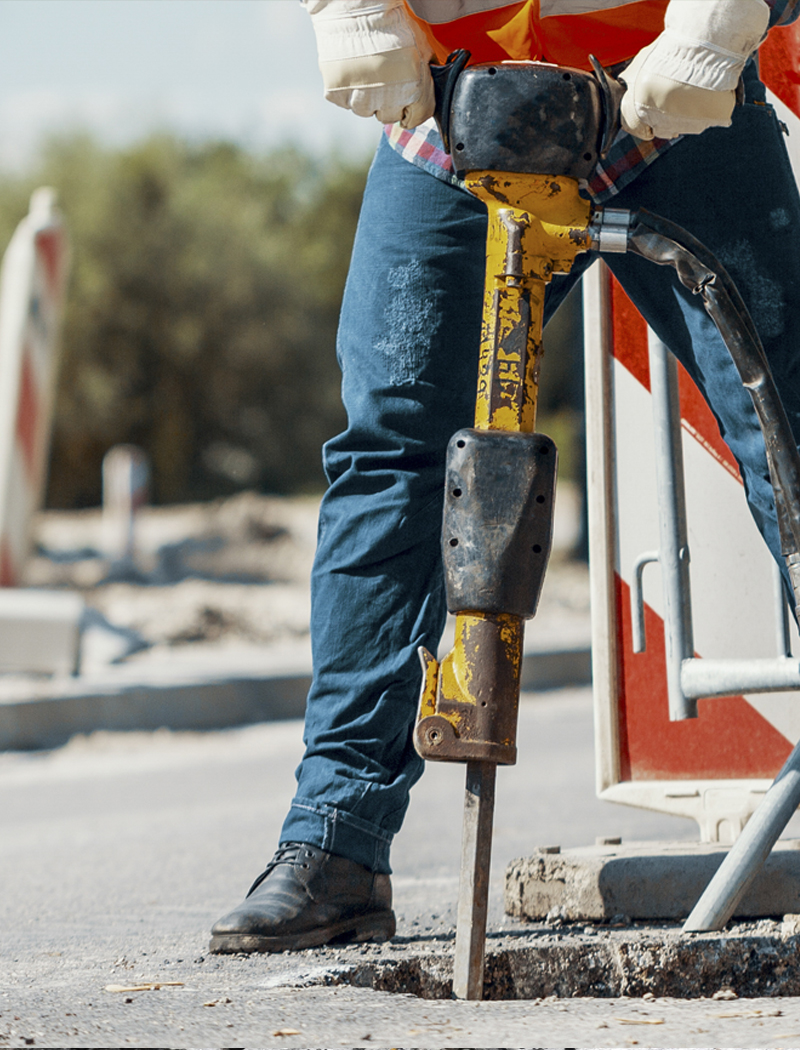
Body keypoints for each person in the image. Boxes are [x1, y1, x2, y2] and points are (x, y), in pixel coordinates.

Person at [210, 0, 800, 954]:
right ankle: (336, 845)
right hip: (457, 99)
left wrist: (713, 29)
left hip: (665, 77)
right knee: (390, 453)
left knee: (790, 433)